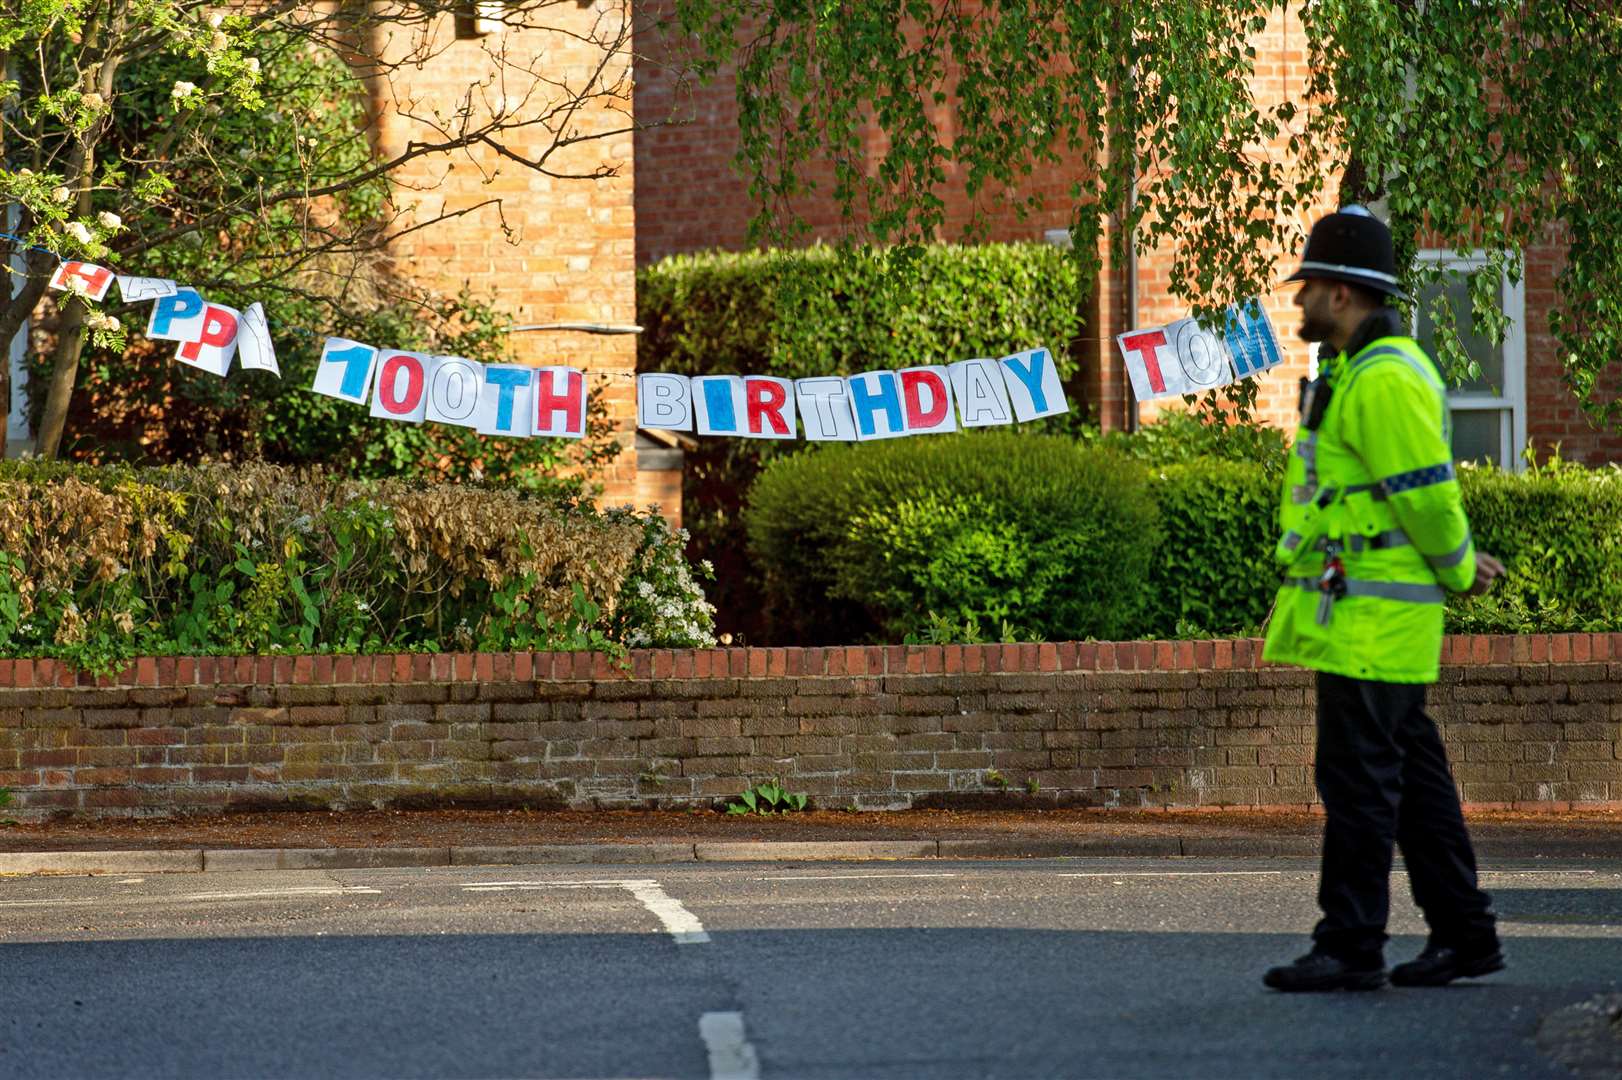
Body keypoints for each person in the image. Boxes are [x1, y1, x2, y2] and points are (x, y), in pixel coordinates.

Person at [1259, 206, 1508, 993]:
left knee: (1360, 786)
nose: (1297, 304)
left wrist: (1463, 569)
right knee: (1414, 785)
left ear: (1340, 294)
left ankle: (1351, 944)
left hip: (1375, 624)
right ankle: (1465, 936)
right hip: (1366, 621)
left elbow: (1428, 499)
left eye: (1307, 289)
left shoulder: (1388, 378)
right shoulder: (1361, 374)